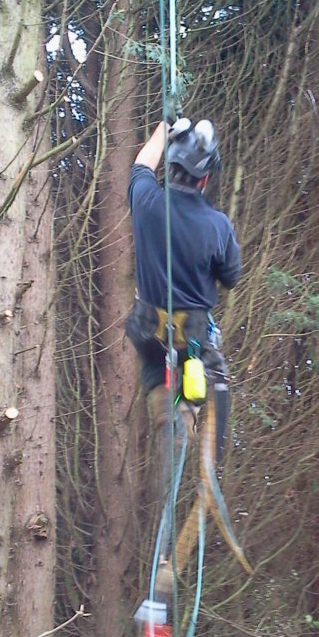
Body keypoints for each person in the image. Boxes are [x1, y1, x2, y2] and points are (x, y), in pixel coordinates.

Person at [125, 115, 241, 470]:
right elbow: (231, 276)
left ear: (172, 165)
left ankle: (163, 400)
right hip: (189, 337)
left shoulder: (147, 202)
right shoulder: (217, 225)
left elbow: (142, 165)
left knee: (152, 361)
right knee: (206, 368)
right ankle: (186, 410)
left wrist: (164, 127)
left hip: (147, 327)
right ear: (205, 179)